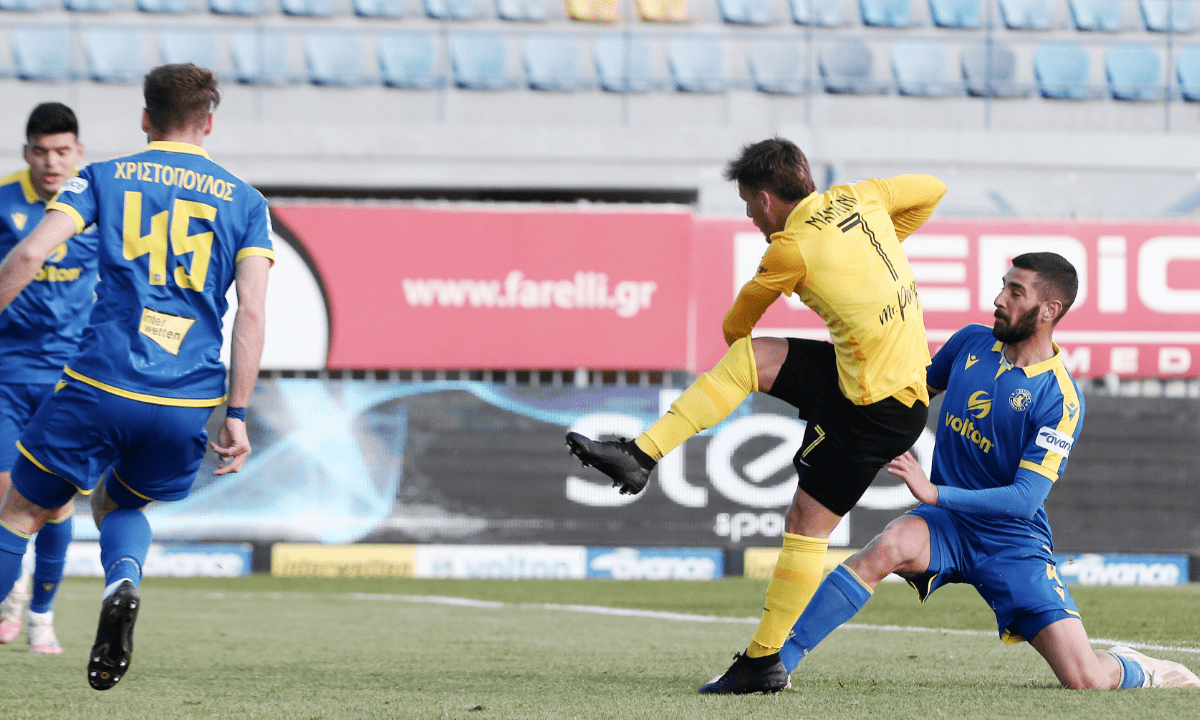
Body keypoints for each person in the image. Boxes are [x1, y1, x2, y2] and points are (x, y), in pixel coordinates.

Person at [565, 137, 947, 694]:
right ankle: (639, 456)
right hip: (867, 380)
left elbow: (734, 326)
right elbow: (932, 189)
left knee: (805, 526)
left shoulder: (790, 249)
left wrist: (800, 278)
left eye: (748, 204)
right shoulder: (861, 199)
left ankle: (764, 662)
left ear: (767, 199)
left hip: (876, 409)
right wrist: (875, 249)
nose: (749, 217)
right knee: (753, 359)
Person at [777, 253, 1200, 690]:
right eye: (1003, 286)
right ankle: (775, 665)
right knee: (886, 547)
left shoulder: (1060, 399)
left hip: (1011, 540)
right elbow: (906, 399)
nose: (999, 299)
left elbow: (1025, 500)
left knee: (1085, 678)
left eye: (1015, 292)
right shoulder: (970, 343)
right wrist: (845, 416)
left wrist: (935, 493)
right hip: (946, 524)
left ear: (1049, 310)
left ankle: (1139, 667)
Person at [0, 63, 272, 691]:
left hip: (102, 381)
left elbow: (31, 252)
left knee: (20, 511)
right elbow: (253, 313)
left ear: (146, 118)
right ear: (208, 122)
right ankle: (122, 581)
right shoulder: (247, 202)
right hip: (186, 398)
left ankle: (36, 612)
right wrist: (236, 413)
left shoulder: (103, 176)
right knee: (121, 503)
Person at [0, 102, 98, 654]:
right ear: (26, 153)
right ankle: (11, 590)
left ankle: (42, 614)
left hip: (70, 377)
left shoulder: (97, 205)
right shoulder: (3, 200)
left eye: (62, 151)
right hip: (7, 372)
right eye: (40, 152)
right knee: (9, 491)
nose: (51, 162)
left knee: (58, 502)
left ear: (78, 152)